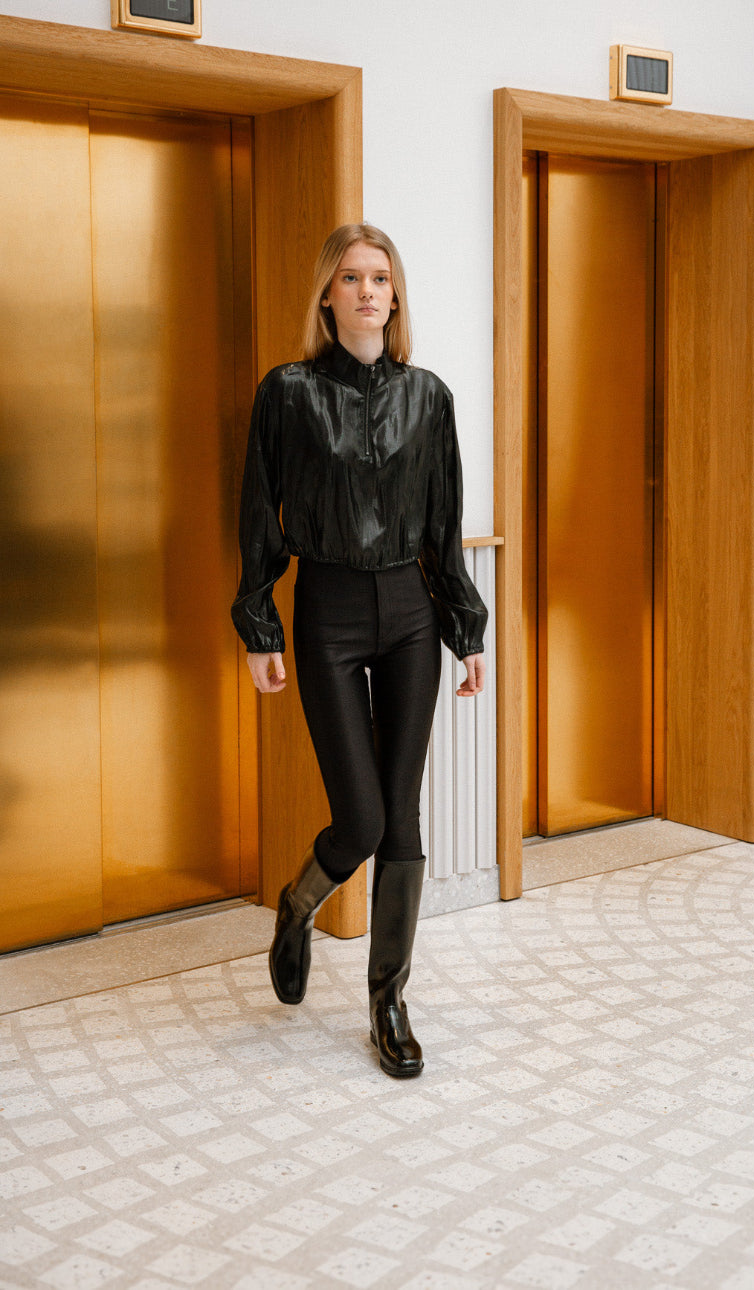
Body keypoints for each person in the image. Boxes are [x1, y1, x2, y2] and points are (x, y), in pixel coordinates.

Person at [231, 223, 487, 1078]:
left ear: (395, 295)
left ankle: (388, 1002)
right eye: (352, 277)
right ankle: (299, 905)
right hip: (328, 611)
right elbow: (260, 509)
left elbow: (445, 525)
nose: (369, 291)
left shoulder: (429, 397)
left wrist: (466, 630)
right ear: (327, 295)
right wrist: (258, 624)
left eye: (381, 278)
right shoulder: (289, 393)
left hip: (411, 610)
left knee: (403, 818)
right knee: (363, 819)